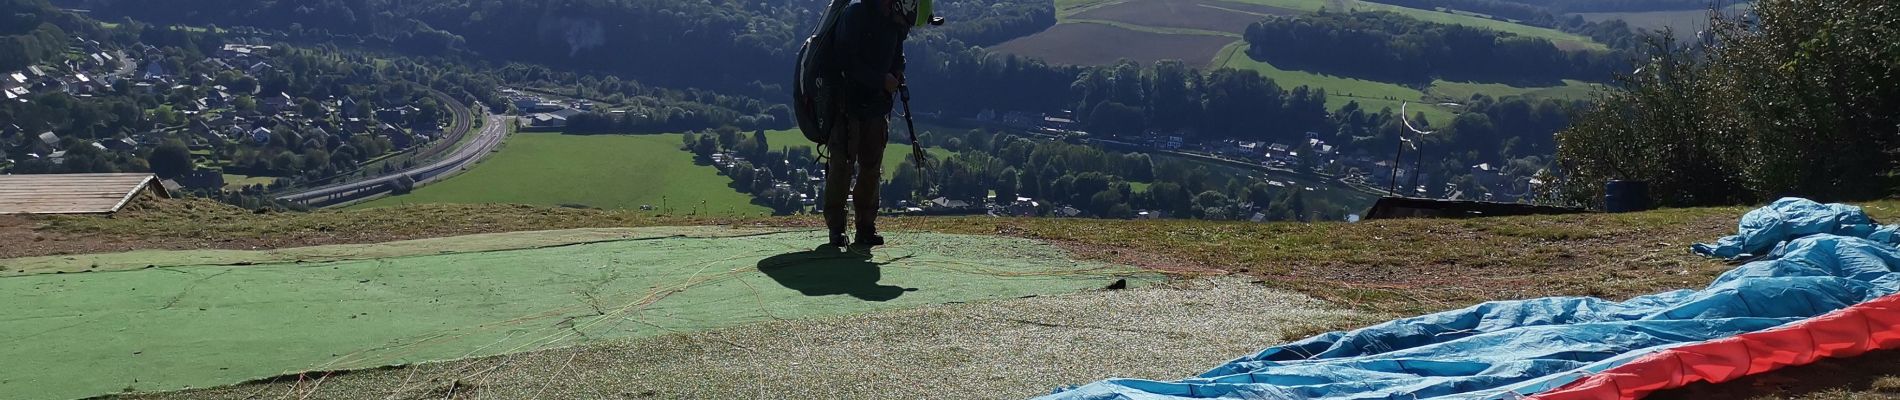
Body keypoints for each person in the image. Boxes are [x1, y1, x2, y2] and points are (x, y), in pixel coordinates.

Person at [823, 0, 927, 247]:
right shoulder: (855, 15)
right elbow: (845, 61)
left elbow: (898, 55)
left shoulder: (894, 23)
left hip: (877, 106)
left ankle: (865, 228)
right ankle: (836, 229)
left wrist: (896, 72)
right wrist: (881, 80)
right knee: (842, 165)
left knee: (871, 168)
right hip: (846, 103)